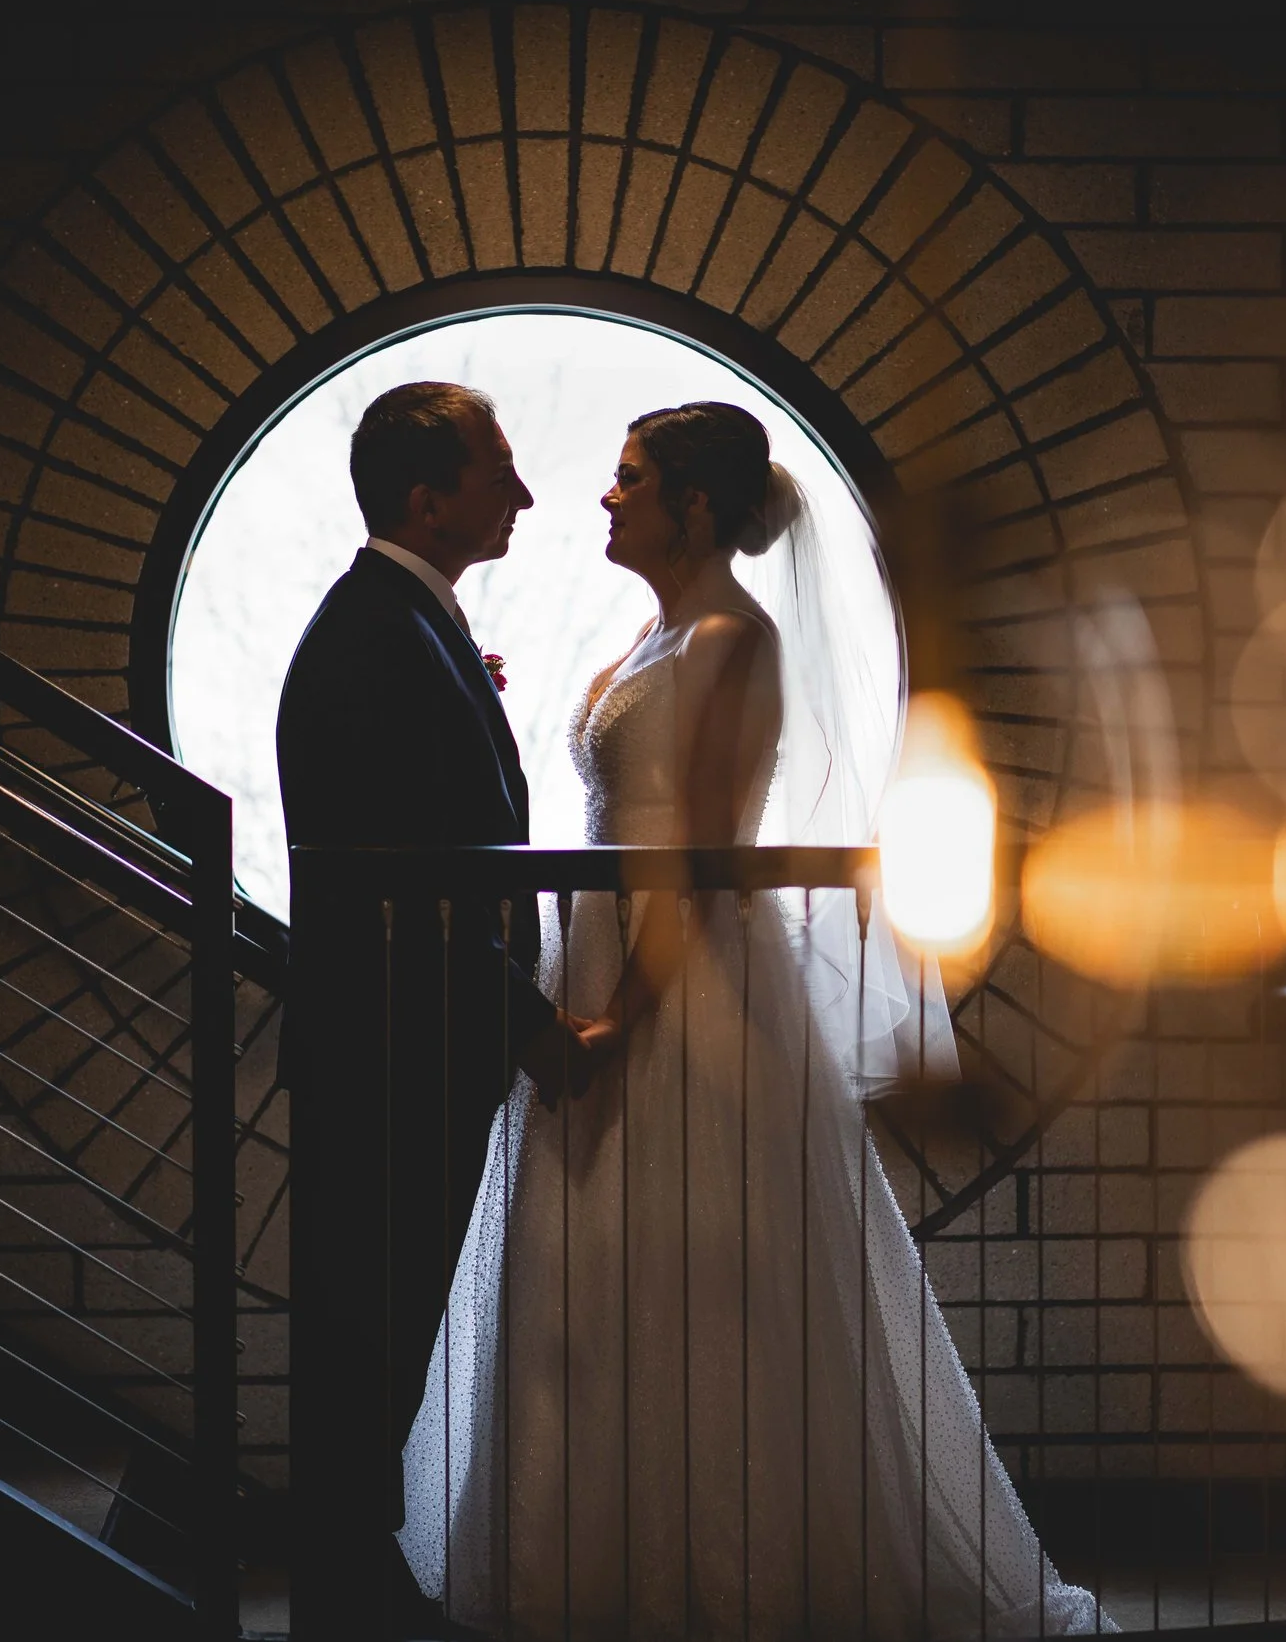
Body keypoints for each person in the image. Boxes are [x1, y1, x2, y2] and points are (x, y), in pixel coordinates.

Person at [398, 401, 1109, 1637]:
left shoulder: (736, 639)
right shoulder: (655, 631)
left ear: (693, 505)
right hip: (595, 954)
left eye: (630, 478)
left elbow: (708, 860)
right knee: (590, 1269)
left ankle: (732, 1568)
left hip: (687, 995)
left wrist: (620, 1016)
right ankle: (587, 1549)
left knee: (703, 1271)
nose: (606, 496)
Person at [274, 380, 602, 1635]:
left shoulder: (403, 624)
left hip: (402, 1042)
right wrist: (527, 1023)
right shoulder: (378, 637)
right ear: (426, 498)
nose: (523, 492)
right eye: (496, 468)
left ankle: (359, 1580)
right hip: (396, 1050)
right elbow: (418, 873)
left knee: (385, 1326)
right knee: (371, 1329)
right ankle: (351, 1593)